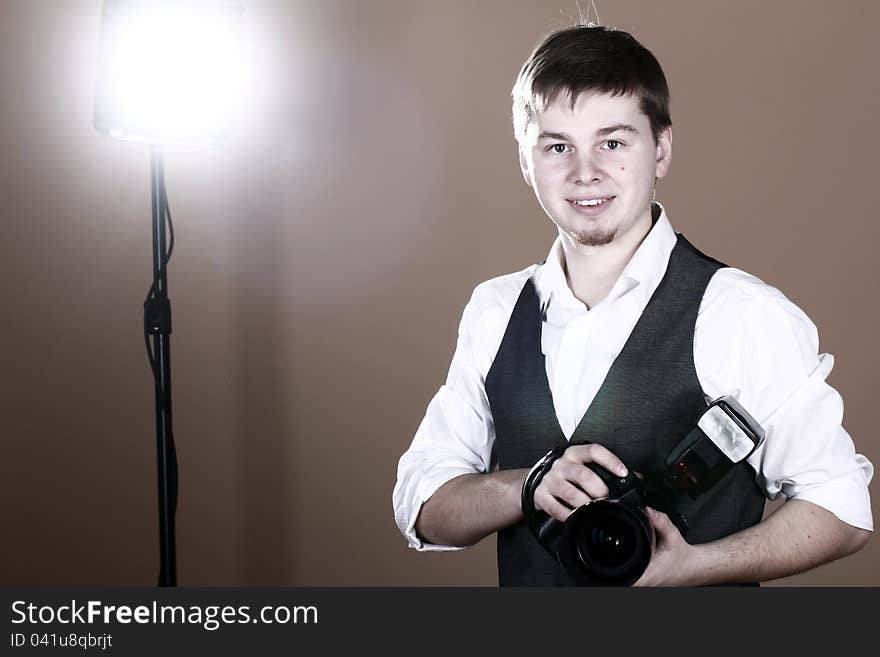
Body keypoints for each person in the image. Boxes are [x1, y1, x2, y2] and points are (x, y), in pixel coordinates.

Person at [392, 24, 873, 586]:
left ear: (662, 149)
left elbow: (843, 510)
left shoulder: (741, 313)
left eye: (613, 143)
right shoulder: (494, 311)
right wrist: (526, 487)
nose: (585, 172)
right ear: (526, 161)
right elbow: (422, 506)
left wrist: (697, 565)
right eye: (557, 146)